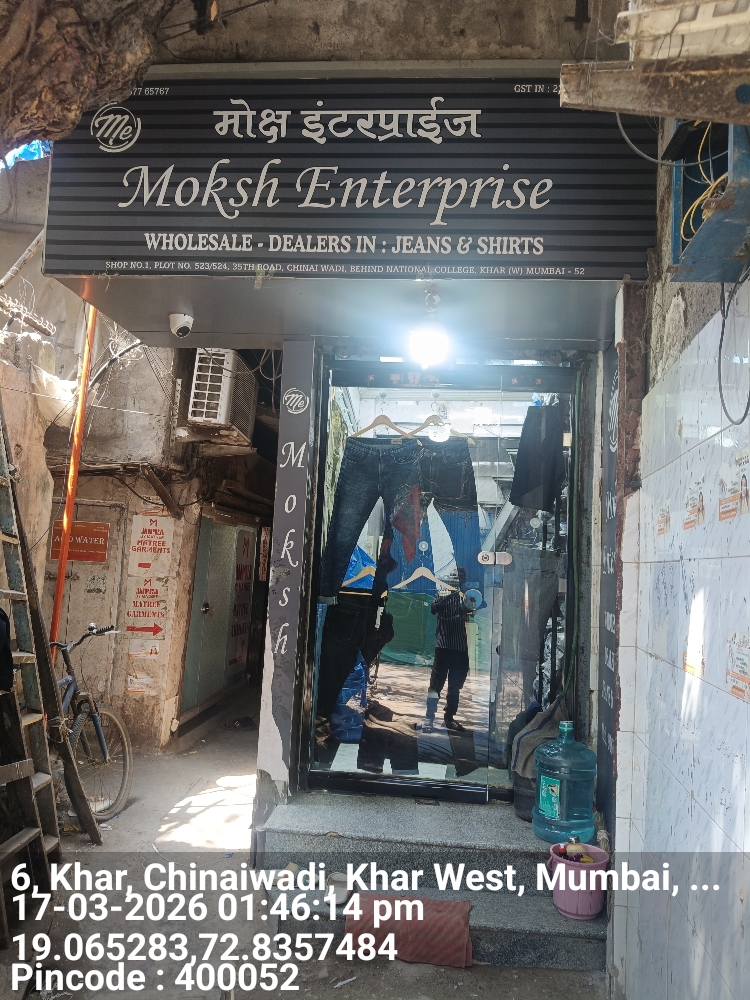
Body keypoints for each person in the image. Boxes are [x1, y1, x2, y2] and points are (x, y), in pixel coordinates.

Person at [422, 568, 473, 733]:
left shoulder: (466, 595)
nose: (459, 580)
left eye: (462, 577)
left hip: (460, 648)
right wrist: (449, 597)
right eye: (456, 577)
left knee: (455, 686)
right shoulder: (442, 593)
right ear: (450, 579)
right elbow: (433, 608)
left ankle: (449, 718)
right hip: (443, 647)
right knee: (435, 685)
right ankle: (429, 718)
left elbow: (472, 611)